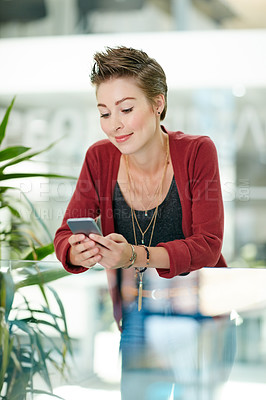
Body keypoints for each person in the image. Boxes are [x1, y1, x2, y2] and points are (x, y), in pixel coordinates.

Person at [54, 46, 228, 400]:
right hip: (138, 319)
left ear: (158, 103)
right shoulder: (99, 158)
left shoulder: (197, 152)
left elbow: (209, 245)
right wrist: (79, 250)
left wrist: (134, 255)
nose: (114, 124)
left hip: (202, 317)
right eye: (104, 112)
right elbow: (63, 235)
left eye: (126, 109)